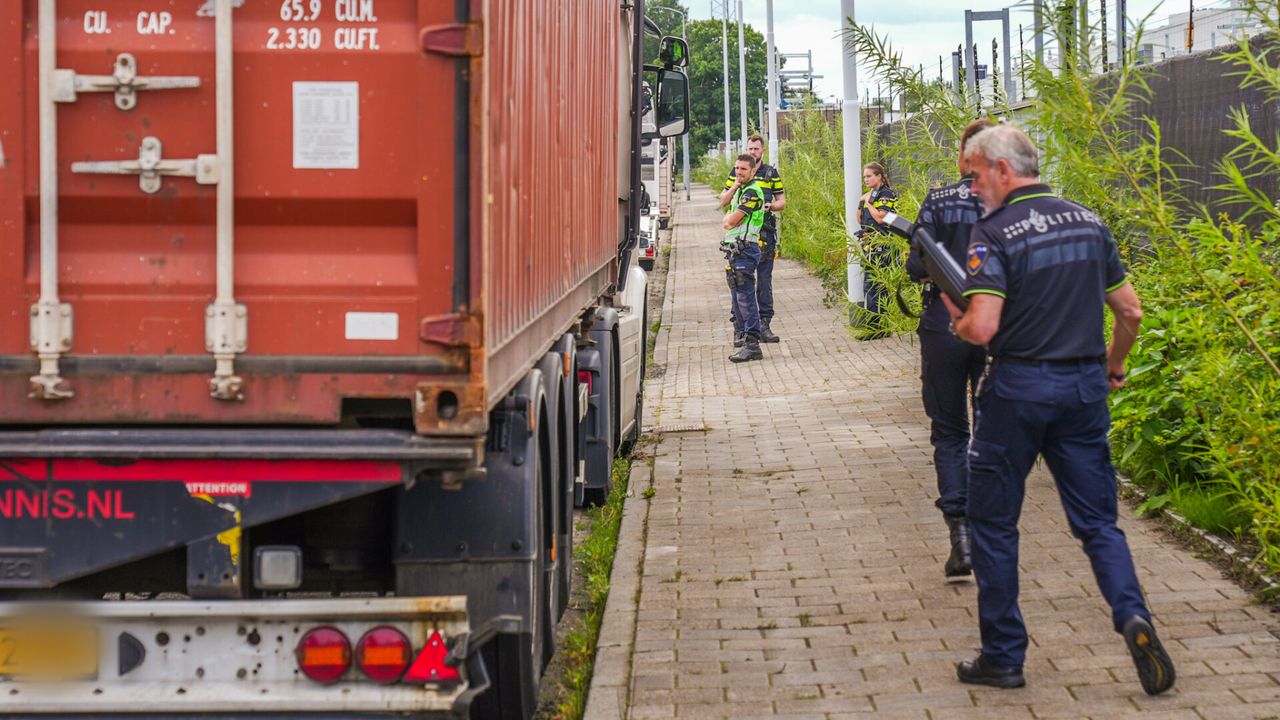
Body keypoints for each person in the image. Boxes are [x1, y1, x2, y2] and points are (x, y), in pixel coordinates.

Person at [941, 124, 1175, 696]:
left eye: (974, 177)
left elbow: (984, 327)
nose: (972, 190)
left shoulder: (993, 232)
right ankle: (1131, 615)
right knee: (1098, 523)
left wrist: (958, 316)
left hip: (1017, 389)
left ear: (1002, 170)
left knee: (994, 525)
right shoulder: (1089, 221)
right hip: (1082, 391)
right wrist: (1114, 367)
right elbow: (1131, 312)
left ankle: (1003, 656)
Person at [905, 118, 994, 580]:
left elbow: (916, 268)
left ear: (961, 156)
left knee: (949, 431)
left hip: (943, 325)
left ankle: (960, 536)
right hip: (999, 328)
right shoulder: (1010, 201)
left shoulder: (938, 200)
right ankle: (992, 535)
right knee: (993, 428)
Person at [719, 134, 786, 345]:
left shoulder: (770, 173)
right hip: (741, 240)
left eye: (756, 149)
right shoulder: (738, 174)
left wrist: (771, 207)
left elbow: (782, 201)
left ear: (762, 151)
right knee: (739, 285)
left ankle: (762, 326)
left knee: (762, 283)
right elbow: (724, 201)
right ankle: (740, 329)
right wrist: (736, 185)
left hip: (763, 233)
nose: (753, 152)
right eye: (750, 148)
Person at [722, 153, 768, 363]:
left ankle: (752, 344)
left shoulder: (753, 193)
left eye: (743, 169)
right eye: (737, 168)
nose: (738, 172)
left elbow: (730, 221)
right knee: (737, 298)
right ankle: (744, 339)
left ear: (753, 171)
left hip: (746, 250)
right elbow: (723, 203)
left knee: (746, 298)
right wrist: (734, 186)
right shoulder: (741, 190)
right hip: (735, 251)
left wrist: (728, 220)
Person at [857, 162, 897, 340]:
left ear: (879, 176)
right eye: (865, 177)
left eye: (869, 176)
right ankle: (873, 326)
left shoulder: (887, 194)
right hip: (869, 245)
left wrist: (868, 203)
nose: (866, 179)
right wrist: (861, 201)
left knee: (878, 287)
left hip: (882, 245)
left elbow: (881, 219)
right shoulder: (869, 195)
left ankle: (881, 327)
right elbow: (860, 219)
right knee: (869, 286)